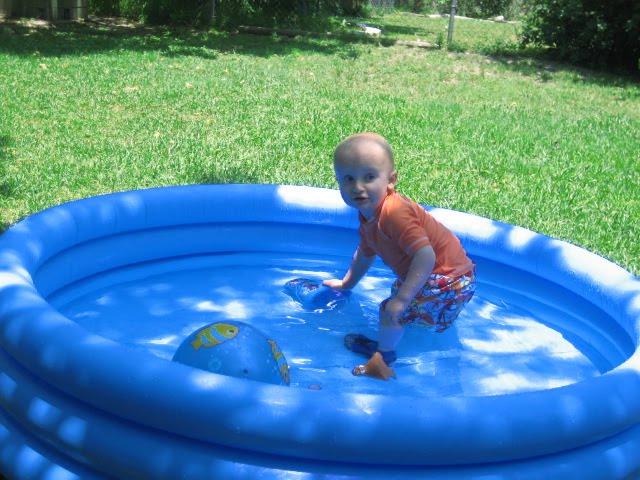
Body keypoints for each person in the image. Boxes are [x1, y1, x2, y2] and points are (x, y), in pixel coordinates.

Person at [323, 133, 476, 365]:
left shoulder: (394, 213)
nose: (357, 187)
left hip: (446, 279)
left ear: (391, 180)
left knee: (390, 309)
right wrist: (346, 284)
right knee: (404, 301)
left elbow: (425, 255)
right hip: (452, 278)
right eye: (348, 179)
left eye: (369, 177)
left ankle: (384, 356)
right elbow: (365, 253)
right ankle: (437, 343)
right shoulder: (369, 216)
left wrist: (402, 300)